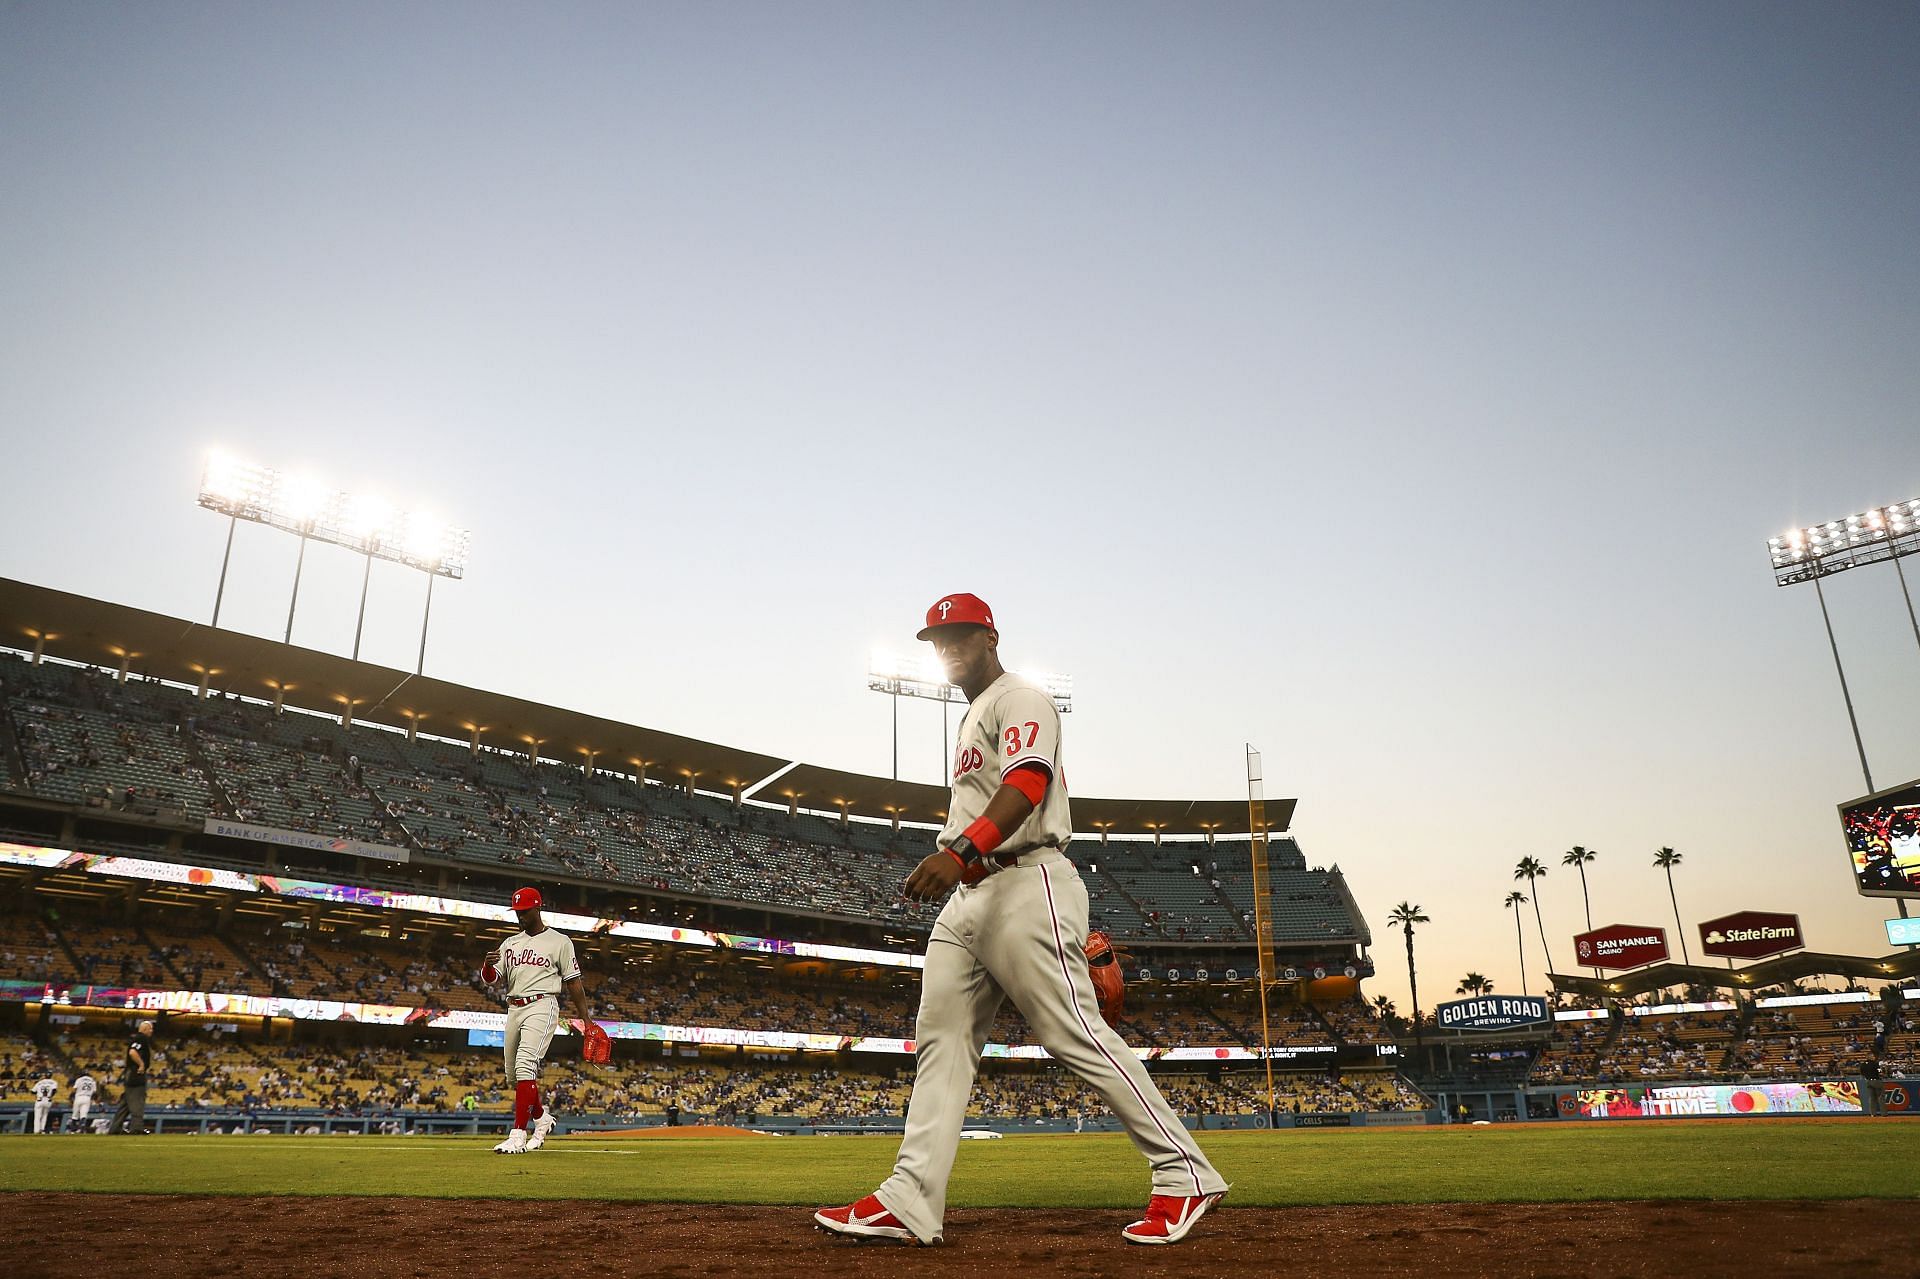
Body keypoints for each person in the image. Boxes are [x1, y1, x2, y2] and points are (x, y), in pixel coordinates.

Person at [815, 594, 1229, 1247]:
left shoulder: (1022, 697)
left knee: (1073, 1032)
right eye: (937, 638)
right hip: (970, 897)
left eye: (959, 634)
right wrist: (963, 860)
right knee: (942, 1040)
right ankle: (911, 1197)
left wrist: (958, 850)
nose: (947, 646)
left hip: (1024, 877)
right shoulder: (972, 715)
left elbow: (1030, 782)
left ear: (990, 637)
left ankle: (1184, 1172)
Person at [481, 887, 594, 1154]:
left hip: (543, 1005)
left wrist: (586, 1020)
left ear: (538, 908)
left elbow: (574, 982)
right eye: (517, 911)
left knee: (525, 1065)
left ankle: (517, 1135)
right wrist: (487, 966)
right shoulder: (510, 943)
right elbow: (492, 979)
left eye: (525, 911)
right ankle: (541, 1119)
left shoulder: (560, 941)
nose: (520, 915)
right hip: (514, 1007)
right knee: (513, 1076)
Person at [109, 1018, 154, 1135]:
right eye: (150, 1029)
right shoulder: (141, 1038)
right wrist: (141, 1064)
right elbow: (132, 1052)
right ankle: (137, 1128)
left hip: (130, 1074)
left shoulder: (136, 1038)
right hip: (136, 1074)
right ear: (144, 1029)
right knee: (137, 1102)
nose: (151, 1031)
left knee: (125, 1104)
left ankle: (115, 1128)